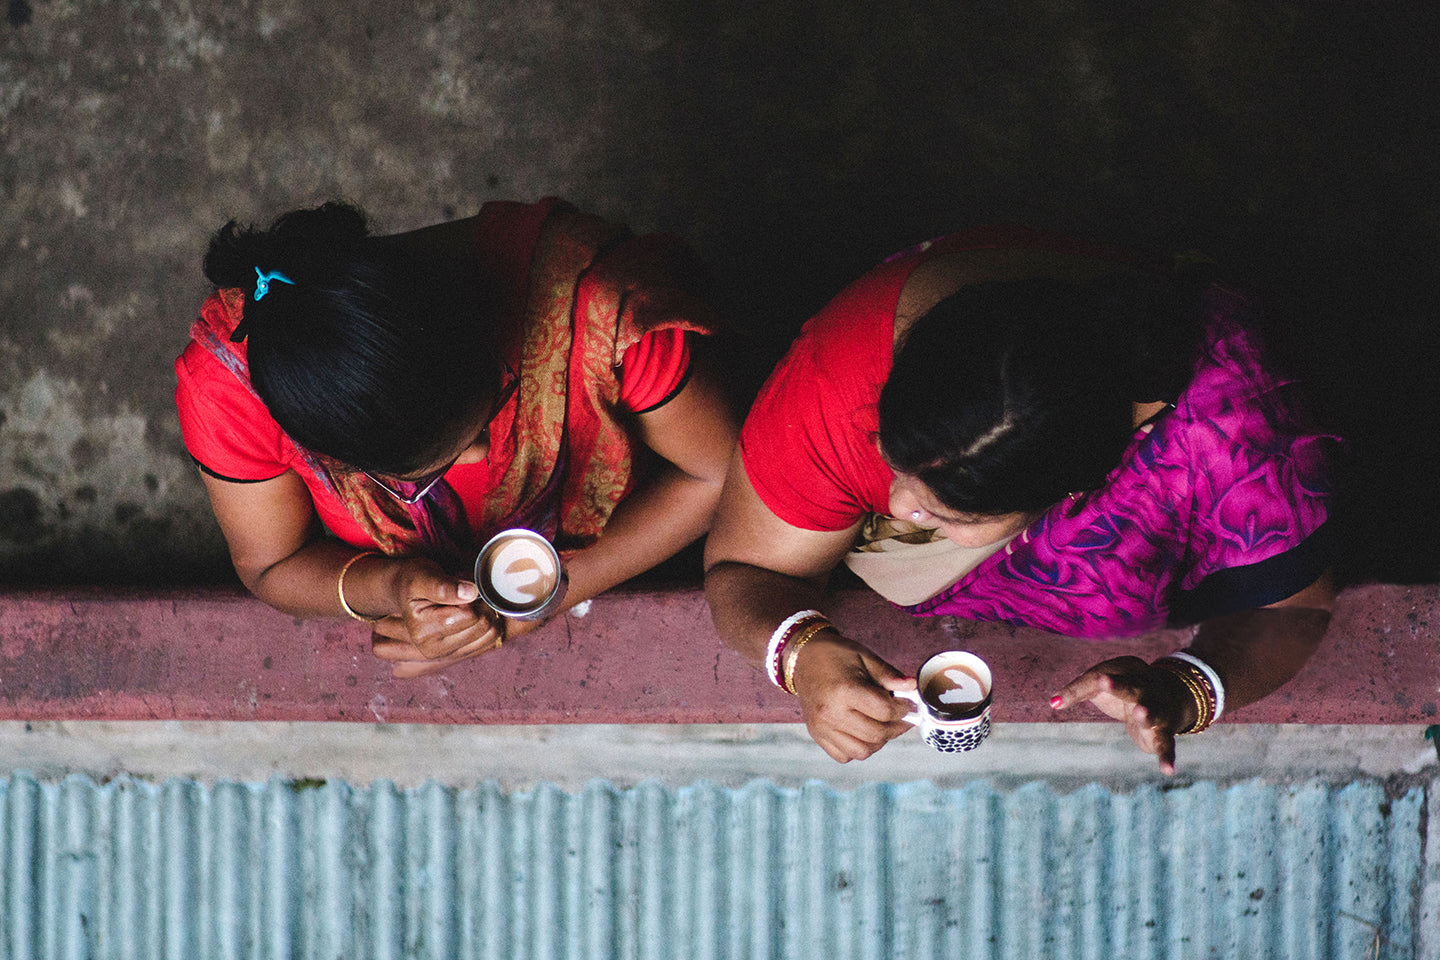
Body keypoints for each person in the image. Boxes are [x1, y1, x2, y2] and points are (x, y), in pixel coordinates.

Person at [704, 226, 1338, 773]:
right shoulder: (842, 379)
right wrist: (798, 652)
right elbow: (746, 568)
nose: (894, 508)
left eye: (944, 513)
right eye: (890, 456)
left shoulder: (1242, 444)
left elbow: (1293, 611)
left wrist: (1184, 689)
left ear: (1076, 493)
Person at [177, 197, 738, 677]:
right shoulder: (230, 390)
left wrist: (542, 599)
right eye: (419, 479)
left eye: (493, 411)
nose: (485, 456)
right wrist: (387, 586)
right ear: (327, 456)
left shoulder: (604, 310)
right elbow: (273, 564)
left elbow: (718, 473)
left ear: (484, 325)